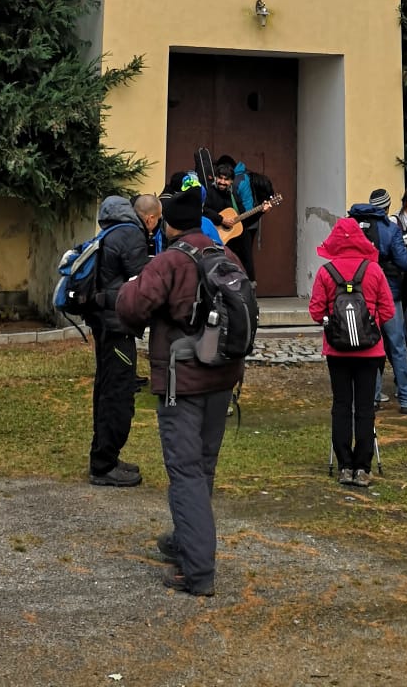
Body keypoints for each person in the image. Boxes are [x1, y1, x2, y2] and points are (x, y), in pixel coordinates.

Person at [116, 185, 244, 596]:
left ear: (168, 224)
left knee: (185, 471)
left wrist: (129, 285)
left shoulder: (170, 260)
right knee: (202, 466)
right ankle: (183, 540)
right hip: (223, 376)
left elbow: (132, 308)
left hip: (182, 381)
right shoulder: (226, 256)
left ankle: (197, 571)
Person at [308, 213, 397, 489]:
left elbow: (315, 312)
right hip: (370, 351)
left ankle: (344, 465)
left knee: (342, 405)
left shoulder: (326, 272)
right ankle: (362, 468)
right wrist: (369, 324)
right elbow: (388, 310)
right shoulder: (374, 271)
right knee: (366, 407)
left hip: (337, 351)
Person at [86, 195, 154, 486]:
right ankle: (104, 465)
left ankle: (104, 457)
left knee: (105, 390)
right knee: (118, 394)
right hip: (118, 326)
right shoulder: (131, 235)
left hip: (103, 323)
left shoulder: (108, 233)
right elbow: (141, 284)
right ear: (149, 218)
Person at [348, 189, 407, 413]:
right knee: (397, 346)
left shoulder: (353, 226)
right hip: (389, 293)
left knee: (371, 345)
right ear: (387, 208)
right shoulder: (390, 229)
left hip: (361, 294)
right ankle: (406, 399)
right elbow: (404, 262)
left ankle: (373, 397)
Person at [212, 153, 274, 284]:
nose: (222, 182)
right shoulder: (211, 193)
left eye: (226, 179)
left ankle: (248, 285)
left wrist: (261, 211)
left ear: (231, 181)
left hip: (238, 230)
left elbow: (245, 215)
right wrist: (221, 219)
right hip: (218, 234)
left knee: (244, 256)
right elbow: (205, 211)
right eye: (220, 178)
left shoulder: (235, 192)